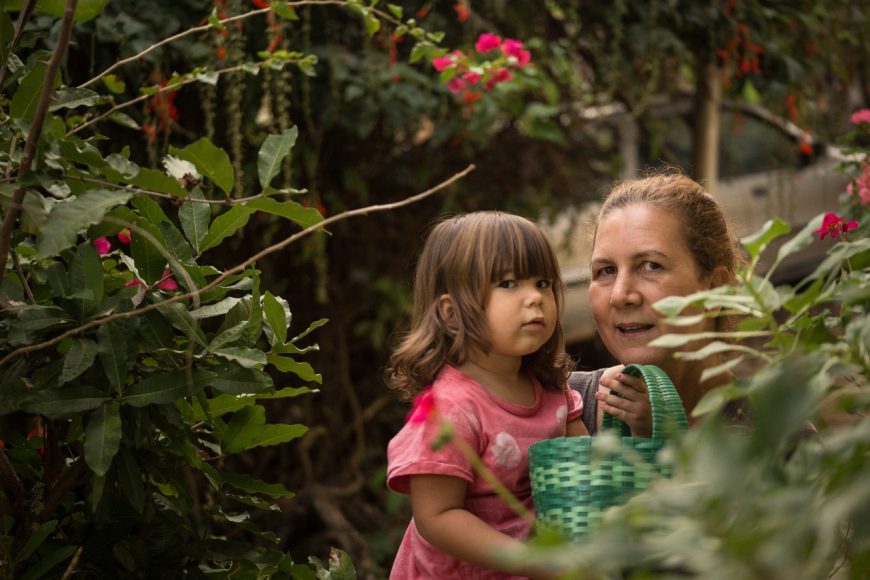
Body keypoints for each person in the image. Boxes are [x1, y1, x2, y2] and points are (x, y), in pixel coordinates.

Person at [384, 211, 622, 578]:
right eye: (509, 284)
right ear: (451, 313)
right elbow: (437, 517)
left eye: (542, 282)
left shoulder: (551, 391)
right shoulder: (450, 409)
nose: (535, 298)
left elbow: (585, 471)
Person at [572, 171, 745, 435]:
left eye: (651, 266)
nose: (620, 295)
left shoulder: (778, 439)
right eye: (606, 270)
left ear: (714, 289)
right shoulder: (558, 411)